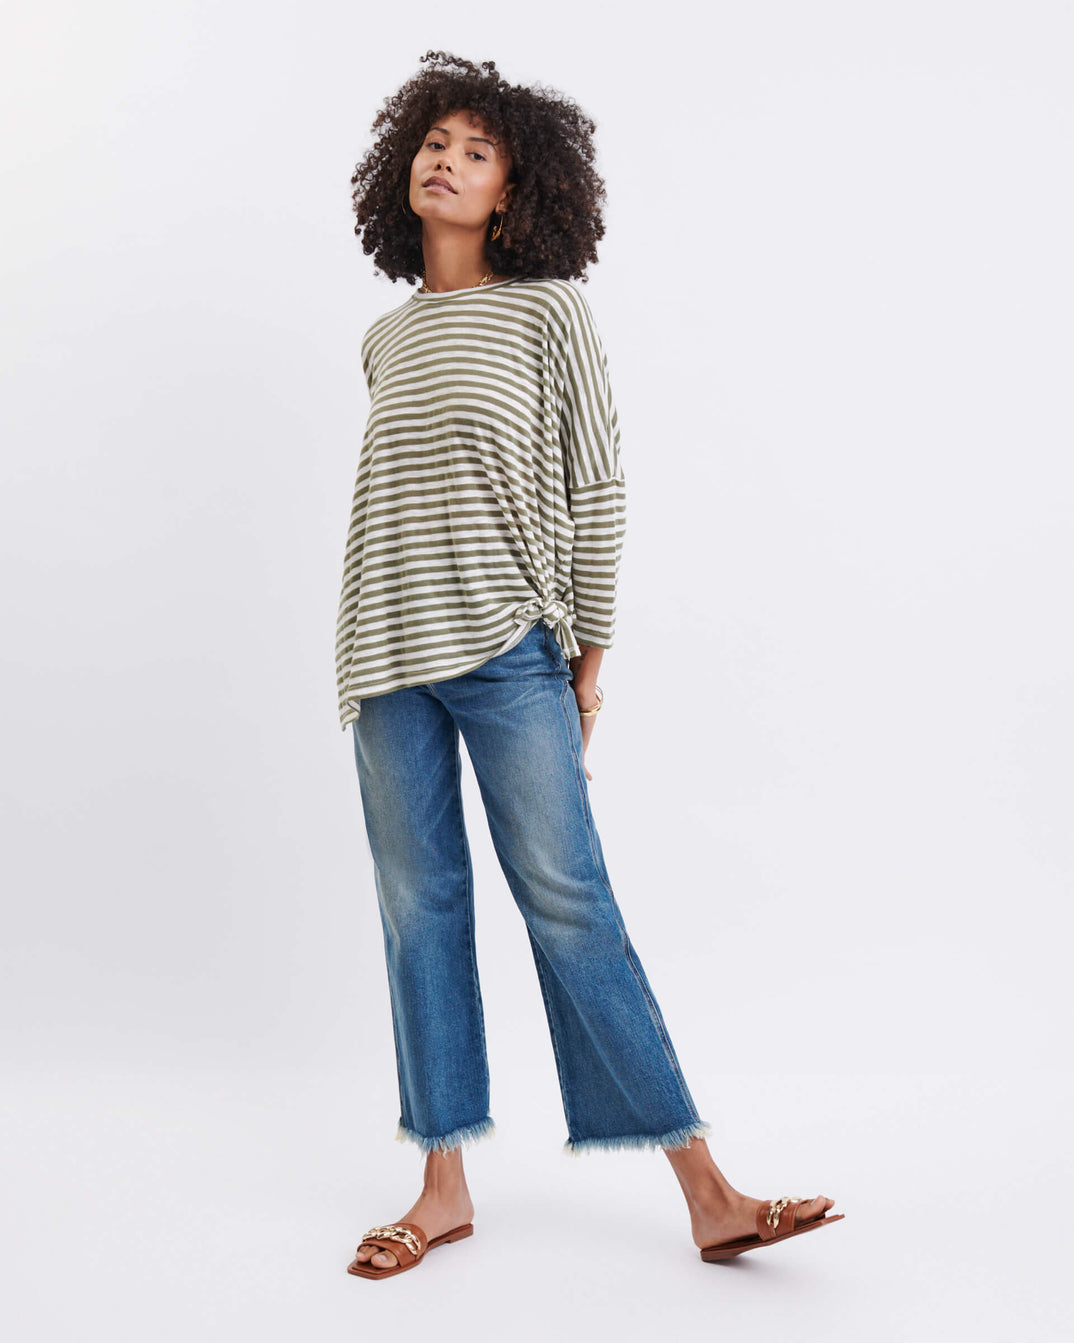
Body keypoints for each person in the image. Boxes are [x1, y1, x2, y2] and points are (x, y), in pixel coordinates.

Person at [335, 50, 843, 1278]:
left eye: (476, 150)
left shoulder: (549, 311)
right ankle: (441, 1186)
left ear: (513, 190)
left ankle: (708, 1190)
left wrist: (586, 665)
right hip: (384, 653)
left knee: (571, 904)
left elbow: (597, 489)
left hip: (511, 646)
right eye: (434, 143)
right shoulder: (385, 337)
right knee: (419, 909)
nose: (446, 161)